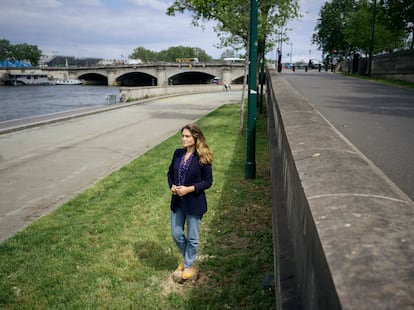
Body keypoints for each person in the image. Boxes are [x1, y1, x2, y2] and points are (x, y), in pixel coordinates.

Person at [167, 124, 214, 280]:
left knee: (192, 237)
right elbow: (170, 173)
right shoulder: (178, 153)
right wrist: (172, 185)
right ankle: (188, 258)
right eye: (182, 136)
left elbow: (208, 182)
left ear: (195, 137)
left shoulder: (203, 157)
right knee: (176, 233)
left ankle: (188, 264)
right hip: (177, 201)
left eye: (187, 136)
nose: (183, 139)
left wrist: (189, 189)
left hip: (194, 202)